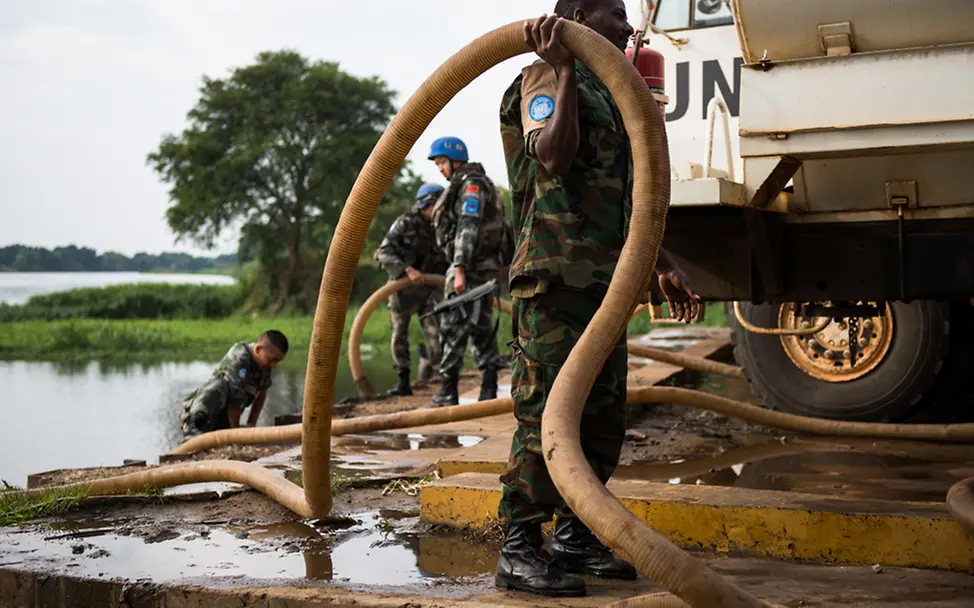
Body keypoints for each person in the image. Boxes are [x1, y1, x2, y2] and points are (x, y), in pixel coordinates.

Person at [495, 1, 701, 597]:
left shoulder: (613, 90)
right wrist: (560, 69)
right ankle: (518, 544)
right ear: (580, 15)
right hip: (555, 276)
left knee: (602, 415)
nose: (628, 24)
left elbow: (625, 192)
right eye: (614, 13)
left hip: (607, 283)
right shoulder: (543, 75)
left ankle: (577, 535)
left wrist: (661, 263)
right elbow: (555, 157)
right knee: (545, 417)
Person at [427, 136, 514, 406]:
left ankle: (448, 391)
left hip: (470, 267)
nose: (440, 168)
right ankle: (487, 389)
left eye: (442, 162)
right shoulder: (475, 183)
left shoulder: (471, 185)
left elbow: (468, 226)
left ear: (456, 160)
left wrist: (460, 267)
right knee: (481, 325)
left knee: (453, 326)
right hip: (483, 269)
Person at [373, 183, 449, 396]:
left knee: (436, 333)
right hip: (402, 290)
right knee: (399, 334)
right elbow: (383, 252)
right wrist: (407, 270)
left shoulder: (443, 226)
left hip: (430, 289)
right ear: (427, 204)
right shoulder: (405, 224)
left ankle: (444, 382)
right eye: (439, 204)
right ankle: (403, 382)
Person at [179, 331, 289, 439]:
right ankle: (193, 428)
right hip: (203, 414)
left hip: (224, 417)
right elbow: (235, 397)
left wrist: (252, 423)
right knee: (220, 385)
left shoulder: (265, 364)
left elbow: (262, 392)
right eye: (272, 360)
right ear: (258, 349)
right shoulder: (240, 357)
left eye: (277, 361)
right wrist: (235, 430)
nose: (274, 365)